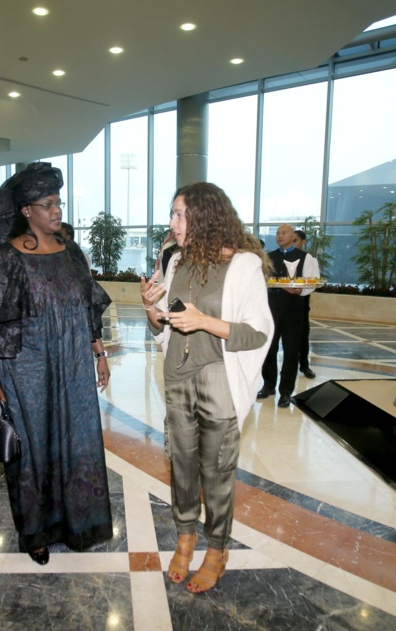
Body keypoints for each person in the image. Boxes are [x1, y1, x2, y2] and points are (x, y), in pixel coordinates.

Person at [0, 162, 114, 566]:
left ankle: (78, 522)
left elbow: (88, 310)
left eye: (58, 203)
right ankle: (36, 532)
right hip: (26, 371)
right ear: (26, 211)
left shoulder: (72, 253)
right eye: (47, 204)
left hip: (73, 366)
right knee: (33, 449)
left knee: (76, 439)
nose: (57, 211)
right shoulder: (7, 258)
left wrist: (98, 353)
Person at [140, 182, 273, 593]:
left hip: (219, 378)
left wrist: (204, 322)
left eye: (179, 214)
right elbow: (161, 326)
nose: (172, 223)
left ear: (204, 215)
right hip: (178, 376)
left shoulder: (244, 265)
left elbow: (258, 334)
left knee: (216, 472)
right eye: (172, 214)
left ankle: (216, 549)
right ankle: (185, 538)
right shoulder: (176, 261)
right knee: (181, 464)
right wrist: (149, 307)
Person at [258, 223, 319, 407]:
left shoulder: (306, 258)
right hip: (272, 309)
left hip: (294, 311)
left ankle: (286, 392)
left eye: (284, 232)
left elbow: (312, 281)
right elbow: (261, 280)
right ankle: (268, 385)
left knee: (291, 351)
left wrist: (300, 291)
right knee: (269, 349)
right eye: (277, 233)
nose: (279, 235)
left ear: (293, 236)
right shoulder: (268, 257)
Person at [291, 229, 317, 379]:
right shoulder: (281, 258)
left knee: (302, 336)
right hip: (283, 306)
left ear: (303, 242)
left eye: (295, 241)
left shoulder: (308, 260)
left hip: (301, 305)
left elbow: (312, 283)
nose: (291, 243)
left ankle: (304, 365)